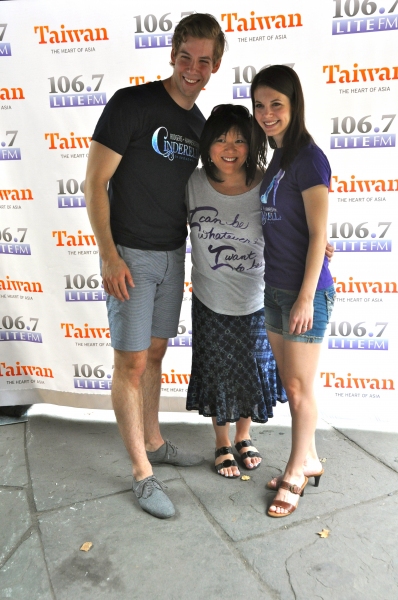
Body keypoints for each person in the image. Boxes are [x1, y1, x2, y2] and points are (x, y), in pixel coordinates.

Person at [84, 14, 226, 519]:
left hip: (173, 253)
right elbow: (94, 182)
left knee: (157, 353)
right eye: (185, 56)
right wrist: (108, 253)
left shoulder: (200, 124)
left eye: (204, 60)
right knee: (131, 362)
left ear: (215, 66)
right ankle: (142, 474)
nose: (193, 68)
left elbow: (231, 188)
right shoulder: (132, 104)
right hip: (131, 255)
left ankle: (155, 441)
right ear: (172, 53)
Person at [251, 65, 335, 517]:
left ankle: (295, 471)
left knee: (300, 390)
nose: (267, 114)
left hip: (305, 293)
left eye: (276, 105)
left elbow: (319, 233)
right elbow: (302, 224)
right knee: (293, 385)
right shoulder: (279, 158)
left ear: (294, 105)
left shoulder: (308, 157)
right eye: (260, 106)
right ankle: (312, 458)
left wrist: (306, 296)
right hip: (275, 288)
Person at [186, 104, 287, 478]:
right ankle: (221, 442)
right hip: (210, 299)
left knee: (252, 369)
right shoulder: (192, 183)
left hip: (255, 299)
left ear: (252, 145)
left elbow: (290, 224)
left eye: (240, 140)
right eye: (221, 139)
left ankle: (244, 436)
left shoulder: (265, 184)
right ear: (208, 144)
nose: (230, 148)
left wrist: (318, 244)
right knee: (217, 371)